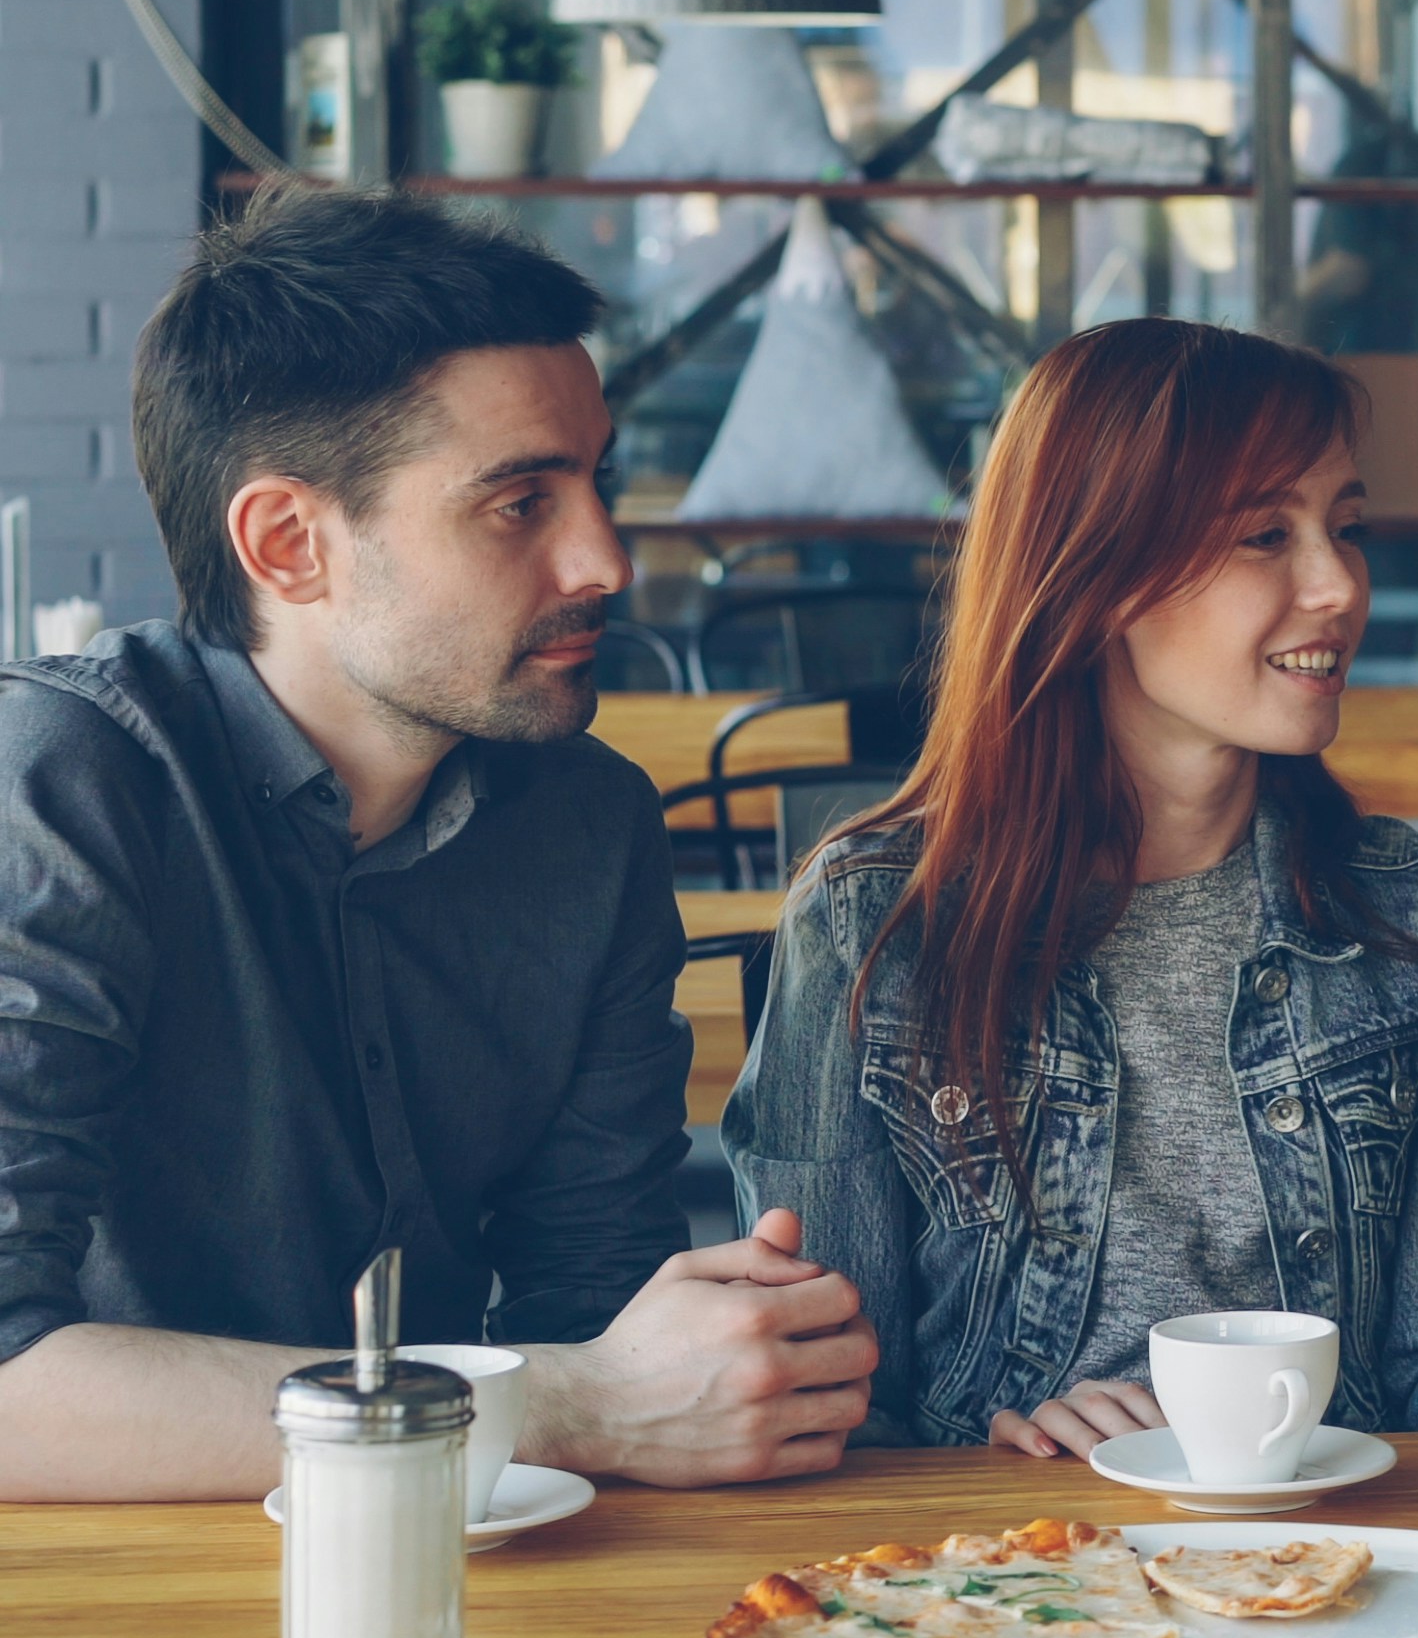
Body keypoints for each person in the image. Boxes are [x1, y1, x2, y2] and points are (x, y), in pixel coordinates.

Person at [0, 184, 878, 1502]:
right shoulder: (64, 786)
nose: (604, 558)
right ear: (290, 542)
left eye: (597, 479)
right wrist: (569, 1403)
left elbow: (600, 1302)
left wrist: (702, 1370)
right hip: (119, 1590)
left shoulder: (588, 820)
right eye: (520, 502)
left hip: (485, 1557)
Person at [725, 320, 1418, 1453]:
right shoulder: (873, 923)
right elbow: (823, 1407)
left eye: (1345, 528)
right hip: (998, 1590)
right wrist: (995, 1464)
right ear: (1097, 574)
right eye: (1266, 532)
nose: (1337, 584)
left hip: (1334, 1553)